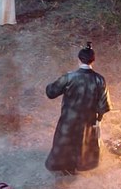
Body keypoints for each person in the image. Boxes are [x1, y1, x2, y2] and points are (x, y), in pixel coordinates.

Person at [45, 42, 111, 174]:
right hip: (87, 120)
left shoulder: (69, 77)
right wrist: (98, 118)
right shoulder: (99, 79)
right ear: (93, 60)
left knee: (65, 142)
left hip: (68, 119)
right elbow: (103, 104)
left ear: (79, 59)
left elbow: (51, 92)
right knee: (83, 143)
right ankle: (78, 165)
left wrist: (50, 86)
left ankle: (63, 166)